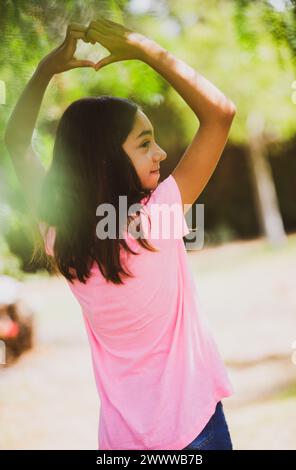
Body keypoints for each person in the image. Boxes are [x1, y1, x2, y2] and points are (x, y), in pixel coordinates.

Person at [4, 18, 237, 450]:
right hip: (194, 431)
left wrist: (44, 70)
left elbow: (17, 142)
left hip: (120, 443)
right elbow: (220, 112)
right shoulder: (157, 219)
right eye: (145, 143)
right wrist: (144, 48)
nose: (161, 153)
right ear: (110, 161)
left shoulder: (60, 232)